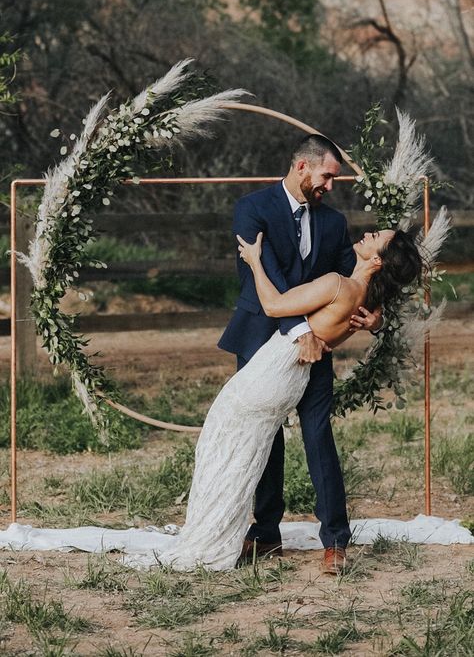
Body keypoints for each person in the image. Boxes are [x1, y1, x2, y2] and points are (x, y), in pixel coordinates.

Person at [157, 222, 422, 572]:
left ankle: (209, 540)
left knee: (221, 445)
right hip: (291, 376)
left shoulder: (338, 284)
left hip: (273, 370)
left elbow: (274, 305)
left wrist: (254, 260)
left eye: (377, 238)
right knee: (240, 450)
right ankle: (221, 533)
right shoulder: (363, 299)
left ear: (377, 261)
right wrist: (377, 318)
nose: (368, 234)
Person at [217, 135, 382, 574]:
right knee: (264, 435)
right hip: (261, 338)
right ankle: (265, 533)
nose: (331, 185)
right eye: (328, 175)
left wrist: (375, 317)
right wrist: (300, 330)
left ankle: (335, 540)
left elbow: (355, 277)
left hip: (317, 348)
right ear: (303, 167)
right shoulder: (252, 208)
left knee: (317, 433)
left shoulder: (333, 221)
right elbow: (265, 277)